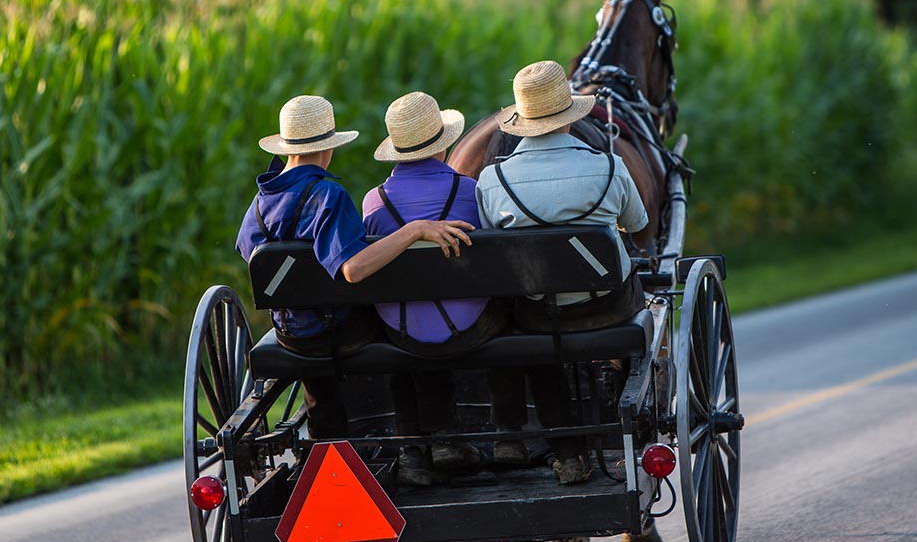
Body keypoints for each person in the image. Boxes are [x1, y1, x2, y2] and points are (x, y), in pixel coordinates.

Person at [236, 94, 473, 439]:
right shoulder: (327, 196)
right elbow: (353, 269)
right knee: (394, 324)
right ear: (327, 147)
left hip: (292, 333)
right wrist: (414, 230)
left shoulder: (260, 202)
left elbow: (248, 251)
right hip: (339, 332)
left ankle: (335, 442)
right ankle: (416, 439)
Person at [475, 61, 650, 486]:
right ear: (572, 115)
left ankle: (569, 455)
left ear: (520, 122)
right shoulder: (609, 166)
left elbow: (490, 246)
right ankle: (630, 409)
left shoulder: (493, 179)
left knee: (535, 334)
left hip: (539, 311)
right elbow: (638, 227)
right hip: (609, 307)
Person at [362, 92, 508, 485]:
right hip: (469, 326)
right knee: (508, 309)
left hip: (404, 329)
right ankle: (509, 432)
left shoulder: (374, 203)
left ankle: (418, 448)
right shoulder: (469, 190)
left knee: (405, 322)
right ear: (443, 143)